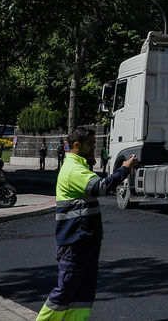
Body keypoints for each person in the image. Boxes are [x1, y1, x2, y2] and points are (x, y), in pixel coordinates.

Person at [37, 127, 136, 321]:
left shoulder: (79, 167)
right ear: (76, 145)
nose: (94, 148)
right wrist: (124, 169)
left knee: (84, 291)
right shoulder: (73, 170)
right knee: (67, 288)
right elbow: (101, 187)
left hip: (85, 239)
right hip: (75, 240)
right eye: (90, 144)